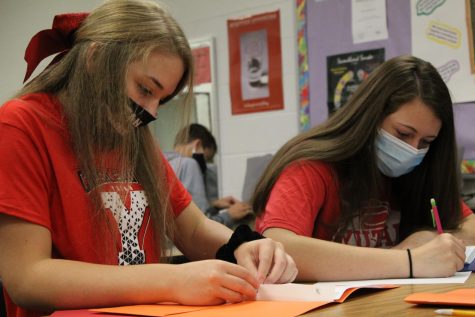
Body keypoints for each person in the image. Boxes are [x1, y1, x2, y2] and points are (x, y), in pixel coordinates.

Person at [0, 2, 298, 317]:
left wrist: (244, 245)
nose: (151, 113)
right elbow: (28, 277)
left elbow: (193, 229)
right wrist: (172, 280)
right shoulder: (21, 125)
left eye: (162, 99)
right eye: (144, 89)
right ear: (95, 59)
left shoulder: (133, 137)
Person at [252, 55, 475, 282]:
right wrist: (408, 259)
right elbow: (280, 247)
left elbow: (470, 225)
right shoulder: (310, 167)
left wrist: (429, 238)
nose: (413, 150)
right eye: (403, 134)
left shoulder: (421, 171)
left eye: (426, 142)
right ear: (371, 116)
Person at [166, 124, 253, 228]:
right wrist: (230, 215)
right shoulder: (189, 164)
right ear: (197, 145)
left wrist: (213, 205)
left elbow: (180, 214)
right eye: (207, 159)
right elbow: (198, 227)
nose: (206, 168)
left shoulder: (164, 164)